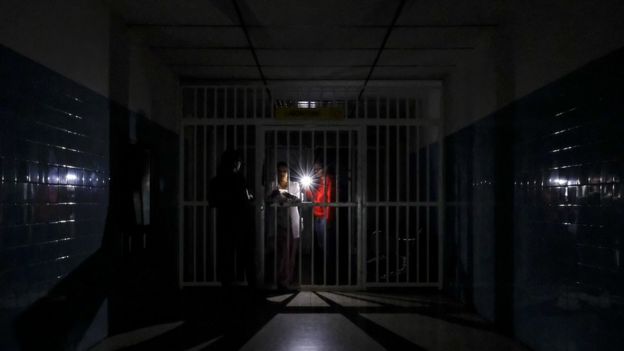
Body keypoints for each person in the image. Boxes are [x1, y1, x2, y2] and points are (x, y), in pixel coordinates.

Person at [208, 149, 256, 289]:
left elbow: (212, 202)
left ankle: (227, 287)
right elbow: (244, 201)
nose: (241, 165)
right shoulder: (239, 179)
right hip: (241, 224)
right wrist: (249, 197)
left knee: (225, 256)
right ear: (235, 163)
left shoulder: (215, 181)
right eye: (240, 162)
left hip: (224, 223)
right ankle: (252, 287)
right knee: (247, 257)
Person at [267, 161, 301, 290]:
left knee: (292, 253)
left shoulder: (294, 185)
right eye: (280, 171)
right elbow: (268, 201)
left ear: (289, 172)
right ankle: (281, 280)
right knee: (282, 253)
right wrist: (275, 196)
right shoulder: (272, 185)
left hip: (292, 222)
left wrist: (287, 196)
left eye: (285, 171)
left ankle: (288, 280)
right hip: (279, 223)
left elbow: (297, 200)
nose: (282, 174)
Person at [305, 160, 333, 283]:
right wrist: (307, 188)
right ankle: (324, 271)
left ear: (324, 169)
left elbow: (330, 201)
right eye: (314, 169)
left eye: (318, 169)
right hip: (317, 217)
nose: (315, 171)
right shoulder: (316, 182)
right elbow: (312, 199)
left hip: (324, 218)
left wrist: (328, 219)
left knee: (326, 246)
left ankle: (329, 273)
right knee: (321, 245)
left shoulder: (328, 181)